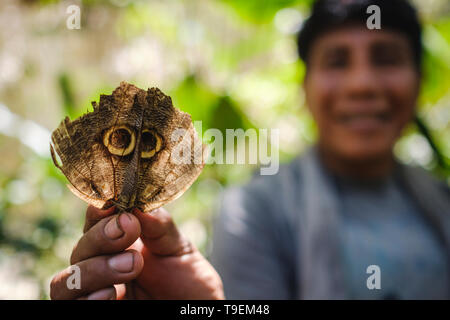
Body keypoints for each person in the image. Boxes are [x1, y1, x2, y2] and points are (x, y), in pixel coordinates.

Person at [50, 0, 450, 300]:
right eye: (337, 61)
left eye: (387, 58)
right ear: (305, 88)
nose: (362, 84)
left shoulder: (440, 202)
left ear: (420, 80)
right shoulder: (255, 208)